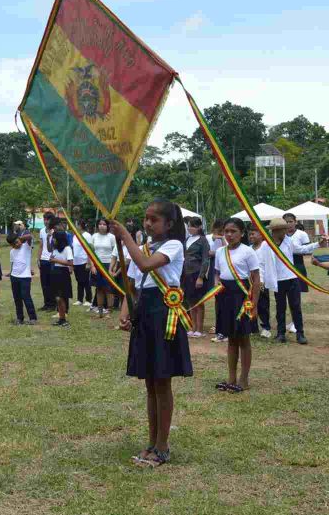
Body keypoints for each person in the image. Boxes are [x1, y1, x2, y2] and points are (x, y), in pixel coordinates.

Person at [111, 200, 191, 468]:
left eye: (154, 219)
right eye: (145, 218)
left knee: (162, 381)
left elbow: (145, 265)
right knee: (149, 382)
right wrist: (125, 312)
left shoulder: (174, 246)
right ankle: (151, 442)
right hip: (145, 312)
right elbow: (132, 286)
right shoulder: (142, 247)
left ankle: (163, 446)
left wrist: (124, 236)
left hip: (163, 315)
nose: (147, 223)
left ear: (169, 224)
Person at [213, 218, 260, 393]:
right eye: (226, 231)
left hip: (242, 297)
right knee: (231, 339)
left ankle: (244, 379)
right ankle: (231, 377)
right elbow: (217, 273)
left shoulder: (248, 252)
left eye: (233, 231)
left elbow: (256, 278)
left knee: (244, 338)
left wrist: (254, 304)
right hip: (225, 296)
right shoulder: (220, 252)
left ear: (242, 233)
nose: (229, 235)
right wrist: (217, 283)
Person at [269, 218, 312, 344]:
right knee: (280, 308)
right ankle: (281, 333)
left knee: (296, 307)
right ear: (274, 231)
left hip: (292, 279)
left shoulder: (289, 242)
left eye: (283, 229)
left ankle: (300, 334)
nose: (283, 232)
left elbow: (302, 250)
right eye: (279, 230)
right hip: (278, 281)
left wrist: (318, 244)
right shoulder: (268, 244)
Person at [282, 213, 321, 337]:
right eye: (286, 222)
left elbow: (307, 250)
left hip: (297, 265)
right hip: (284, 267)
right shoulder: (281, 235)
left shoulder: (301, 234)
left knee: (295, 297)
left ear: (295, 222)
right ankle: (291, 321)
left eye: (290, 221)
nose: (288, 224)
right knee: (285, 297)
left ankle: (295, 322)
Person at [182, 217, 210, 339]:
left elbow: (205, 260)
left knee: (199, 302)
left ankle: (199, 328)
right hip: (186, 274)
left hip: (196, 273)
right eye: (188, 226)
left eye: (192, 226)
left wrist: (201, 277)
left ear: (199, 227)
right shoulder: (187, 239)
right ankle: (192, 327)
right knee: (190, 301)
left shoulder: (203, 240)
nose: (189, 228)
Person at [250, 225, 279, 339]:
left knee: (263, 305)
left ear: (261, 235)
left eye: (254, 234)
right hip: (249, 281)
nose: (251, 236)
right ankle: (253, 327)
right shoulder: (249, 248)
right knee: (250, 304)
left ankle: (266, 327)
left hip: (262, 281)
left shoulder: (266, 246)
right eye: (250, 234)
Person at [7, 230, 38, 325]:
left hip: (25, 277)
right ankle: (20, 318)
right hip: (14, 277)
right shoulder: (12, 251)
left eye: (17, 241)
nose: (17, 244)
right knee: (17, 298)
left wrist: (20, 238)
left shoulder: (27, 247)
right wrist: (11, 273)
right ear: (11, 245)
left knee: (26, 296)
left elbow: (30, 236)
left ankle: (32, 318)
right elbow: (13, 264)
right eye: (14, 243)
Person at [89, 219, 117, 316]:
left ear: (107, 226)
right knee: (99, 288)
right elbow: (90, 253)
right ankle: (100, 311)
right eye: (100, 224)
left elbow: (115, 253)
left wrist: (113, 268)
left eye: (104, 224)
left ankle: (109, 311)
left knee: (109, 289)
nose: (102, 226)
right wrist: (92, 266)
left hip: (108, 265)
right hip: (97, 265)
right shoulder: (94, 236)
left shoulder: (112, 237)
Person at [49, 228, 75, 328]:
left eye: (55, 238)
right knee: (57, 298)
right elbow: (53, 258)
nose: (53, 240)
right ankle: (61, 318)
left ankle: (63, 319)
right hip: (55, 273)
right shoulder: (55, 249)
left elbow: (70, 263)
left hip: (63, 274)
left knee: (62, 298)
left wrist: (56, 260)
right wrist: (52, 260)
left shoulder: (67, 249)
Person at [206, 220, 226, 342]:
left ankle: (224, 325)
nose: (222, 232)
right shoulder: (209, 237)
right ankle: (218, 324)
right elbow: (209, 252)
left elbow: (225, 248)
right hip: (213, 267)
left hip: (225, 266)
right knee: (217, 299)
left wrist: (223, 238)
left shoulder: (226, 238)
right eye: (220, 230)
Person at [38, 212, 58, 312]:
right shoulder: (42, 231)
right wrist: (38, 258)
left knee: (52, 283)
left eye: (47, 219)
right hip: (43, 260)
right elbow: (41, 245)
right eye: (44, 219)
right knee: (44, 283)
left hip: (52, 260)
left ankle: (53, 304)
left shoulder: (55, 231)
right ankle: (46, 303)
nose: (45, 221)